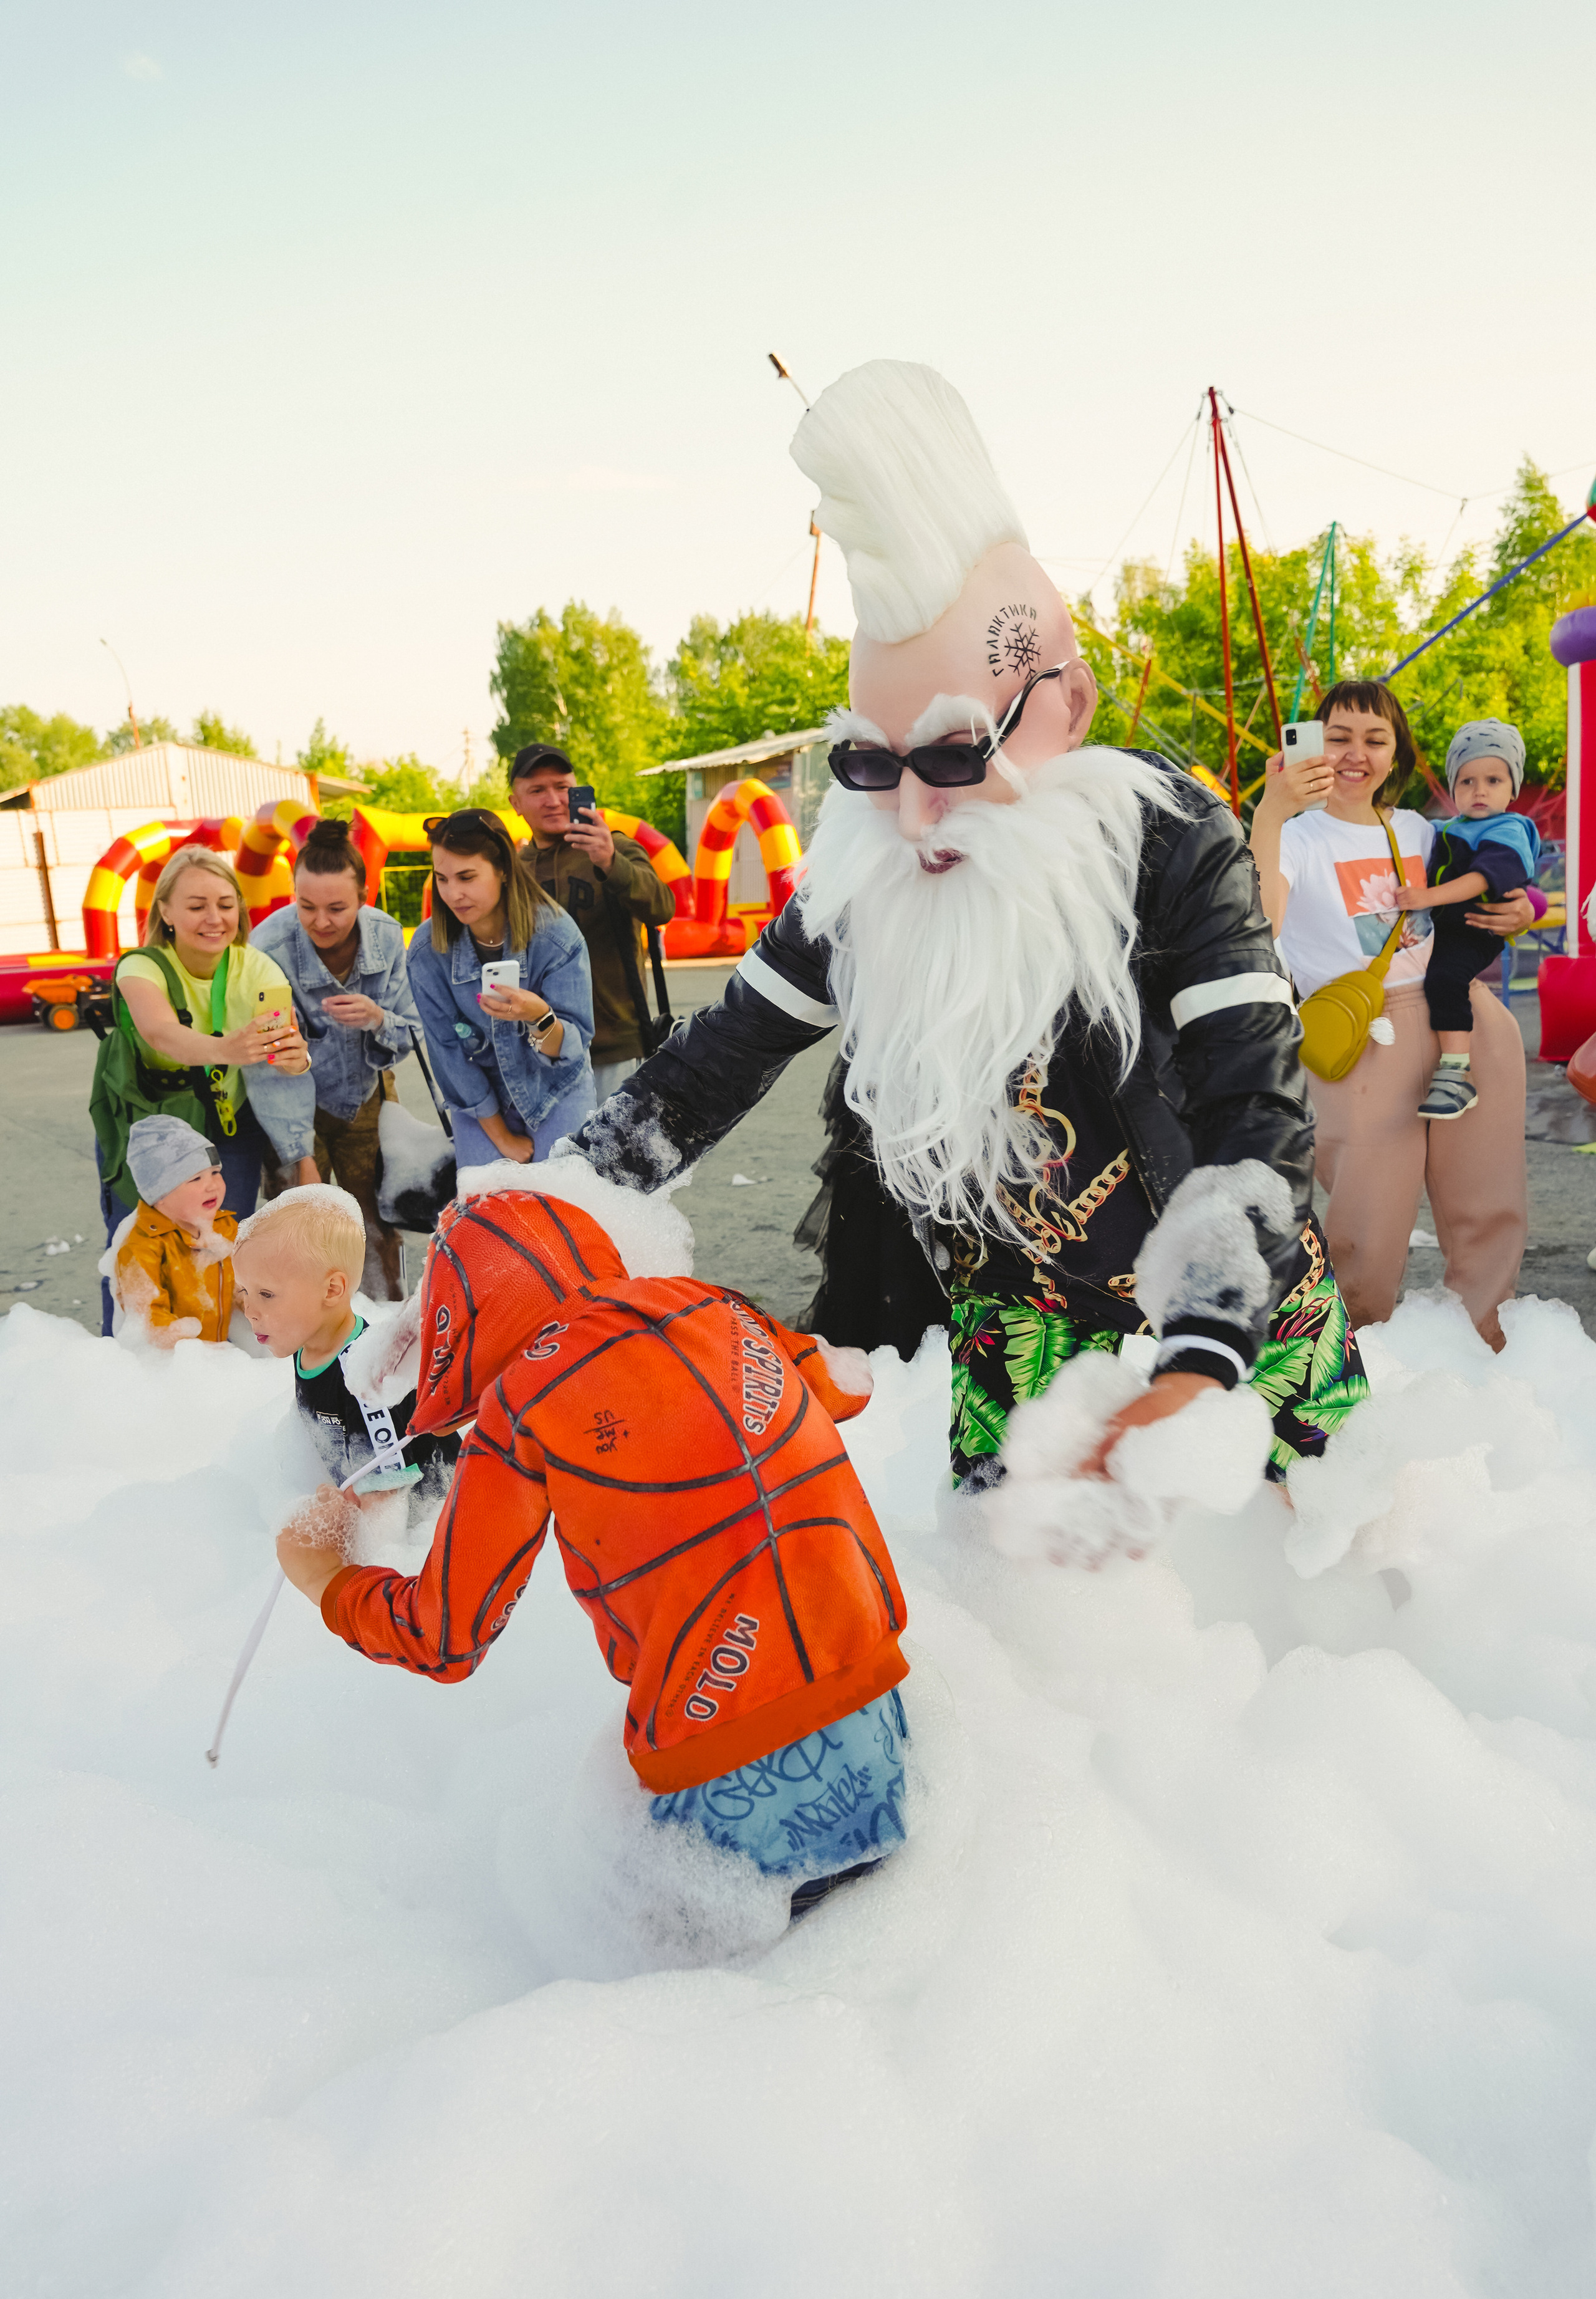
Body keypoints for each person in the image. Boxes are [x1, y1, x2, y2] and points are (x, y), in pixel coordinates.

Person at [566, 359, 1365, 1505]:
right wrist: (552, 1209)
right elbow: (713, 1066)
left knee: (1315, 1572)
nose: (912, 814)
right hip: (1023, 1316)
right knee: (1023, 1618)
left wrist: (1204, 1342)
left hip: (1233, 1300)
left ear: (1067, 706)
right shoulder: (863, 866)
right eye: (871, 764)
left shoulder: (1169, 840)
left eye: (950, 756)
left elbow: (1253, 1095)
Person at [272, 1183, 910, 1918]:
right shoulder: (714, 1304)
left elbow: (444, 1638)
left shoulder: (518, 1407)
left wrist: (328, 1577)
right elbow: (843, 1385)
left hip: (722, 1767)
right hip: (876, 1699)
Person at [1249, 683, 1538, 1350]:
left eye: (1374, 739)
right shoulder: (1294, 837)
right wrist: (1269, 815)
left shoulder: (1419, 829)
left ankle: (1486, 1356)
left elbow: (1496, 889)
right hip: (1362, 1036)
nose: (1356, 753)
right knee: (1364, 1230)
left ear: (1396, 753)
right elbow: (1262, 926)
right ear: (1314, 745)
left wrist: (1523, 910)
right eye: (1339, 736)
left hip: (1460, 1020)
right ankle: (1355, 1375)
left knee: (1485, 1207)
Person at [91, 846, 312, 1334]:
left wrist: (297, 1058)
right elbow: (161, 1033)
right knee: (137, 1248)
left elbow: (282, 1046)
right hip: (145, 1130)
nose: (215, 918)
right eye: (196, 906)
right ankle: (123, 1366)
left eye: (226, 904)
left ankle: (217, 1365)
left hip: (221, 1127)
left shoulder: (255, 966)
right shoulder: (141, 966)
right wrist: (229, 1048)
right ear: (165, 911)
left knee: (221, 1247)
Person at [251, 817, 425, 1298]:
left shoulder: (388, 937)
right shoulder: (267, 947)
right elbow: (268, 1068)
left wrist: (377, 1019)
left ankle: (384, 1332)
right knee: (298, 1226)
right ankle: (302, 1339)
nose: (321, 922)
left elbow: (412, 1028)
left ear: (364, 900)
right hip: (290, 1104)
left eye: (337, 908)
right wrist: (299, 1153)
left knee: (374, 1223)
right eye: (306, 907)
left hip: (365, 1096)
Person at [233, 1184, 459, 1499]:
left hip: (434, 1507)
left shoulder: (366, 1379)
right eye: (243, 1291)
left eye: (266, 1294)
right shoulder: (307, 1344)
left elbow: (388, 1497)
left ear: (332, 1290)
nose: (249, 1311)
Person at [406, 808, 595, 1169]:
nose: (453, 893)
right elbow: (448, 1055)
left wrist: (539, 1017)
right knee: (486, 1212)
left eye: (467, 877)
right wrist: (501, 1137)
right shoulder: (426, 950)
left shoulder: (556, 936)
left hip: (555, 1087)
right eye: (442, 879)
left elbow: (573, 1046)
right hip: (480, 1100)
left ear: (504, 870)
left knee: (564, 1208)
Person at [509, 744, 676, 1104]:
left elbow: (662, 907)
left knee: (620, 1157)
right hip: (536, 1044)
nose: (553, 799)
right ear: (515, 804)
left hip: (614, 1045)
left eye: (562, 787)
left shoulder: (614, 846)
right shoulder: (512, 871)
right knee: (556, 1159)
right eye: (537, 790)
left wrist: (610, 862)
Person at [1390, 719, 1539, 1121]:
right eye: (1467, 781)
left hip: (1476, 925)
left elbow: (1481, 879)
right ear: (1453, 788)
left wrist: (1427, 897)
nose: (1479, 791)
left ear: (1513, 789)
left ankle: (1457, 1073)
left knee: (1445, 977)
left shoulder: (1508, 829)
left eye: (1493, 780)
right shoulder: (1449, 827)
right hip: (1447, 924)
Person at [109, 1117, 236, 1347]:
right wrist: (188, 1350)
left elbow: (245, 1286)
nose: (212, 1185)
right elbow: (148, 1318)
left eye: (215, 1173)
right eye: (196, 1178)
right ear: (161, 1195)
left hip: (218, 1352)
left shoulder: (223, 1227)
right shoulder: (142, 1248)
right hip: (174, 1363)